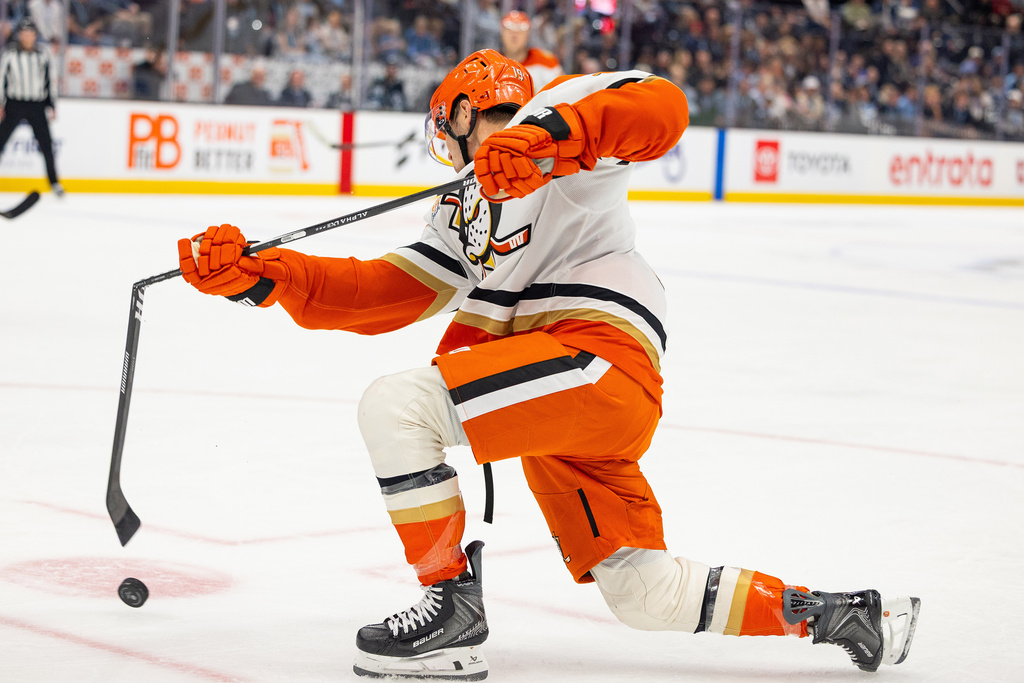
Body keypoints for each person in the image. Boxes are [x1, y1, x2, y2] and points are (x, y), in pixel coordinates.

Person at [175, 49, 921, 680]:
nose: (454, 149)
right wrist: (266, 277)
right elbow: (385, 290)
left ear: (463, 114)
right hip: (563, 400)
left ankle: (453, 608)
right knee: (641, 591)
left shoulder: (558, 112)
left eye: (450, 129)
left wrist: (549, 141)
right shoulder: (463, 211)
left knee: (396, 406)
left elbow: (662, 107)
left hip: (594, 358)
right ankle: (844, 616)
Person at [0, 18, 63, 196]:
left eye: (31, 33)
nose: (28, 37)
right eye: (25, 33)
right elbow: (1, 79)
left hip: (36, 104)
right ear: (20, 35)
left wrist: (51, 104)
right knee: (0, 142)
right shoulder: (9, 54)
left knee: (46, 145)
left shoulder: (43, 54)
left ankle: (54, 182)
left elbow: (50, 79)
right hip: (14, 103)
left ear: (35, 35)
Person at [499, 10, 562, 92]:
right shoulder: (489, 62)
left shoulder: (547, 61)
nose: (514, 35)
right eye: (509, 29)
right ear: (502, 33)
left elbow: (559, 93)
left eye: (520, 30)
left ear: (527, 34)